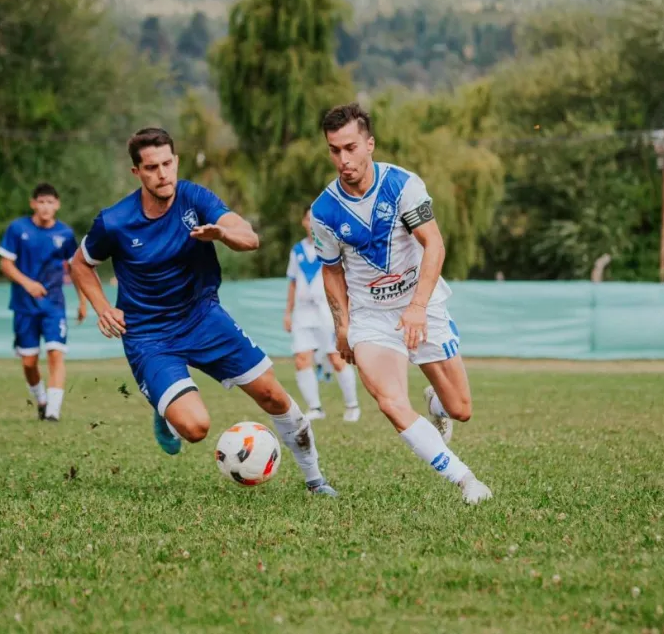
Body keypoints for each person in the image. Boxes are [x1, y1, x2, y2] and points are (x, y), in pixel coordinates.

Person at [69, 127, 337, 497]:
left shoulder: (194, 199)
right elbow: (80, 264)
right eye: (151, 167)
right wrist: (102, 308)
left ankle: (315, 480)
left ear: (176, 161)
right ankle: (166, 408)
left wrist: (223, 235)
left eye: (167, 164)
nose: (162, 174)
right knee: (195, 428)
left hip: (203, 318)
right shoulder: (114, 221)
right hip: (149, 336)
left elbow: (249, 236)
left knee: (274, 396)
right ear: (137, 172)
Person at [310, 103, 493, 505]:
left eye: (351, 147)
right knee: (390, 402)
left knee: (460, 408)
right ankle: (466, 481)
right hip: (371, 319)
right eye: (334, 150)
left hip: (420, 305)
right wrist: (343, 327)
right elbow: (332, 271)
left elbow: (435, 244)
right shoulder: (323, 212)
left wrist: (417, 307)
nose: (343, 159)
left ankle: (436, 401)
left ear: (369, 145)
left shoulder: (404, 185)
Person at [0, 183, 87, 422]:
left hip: (54, 305)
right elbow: (5, 264)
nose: (46, 207)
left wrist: (82, 301)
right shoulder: (18, 229)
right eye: (41, 202)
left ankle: (53, 413)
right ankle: (41, 400)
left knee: (56, 354)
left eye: (50, 202)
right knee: (29, 362)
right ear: (33, 204)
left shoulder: (65, 234)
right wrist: (28, 284)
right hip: (24, 306)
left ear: (57, 205)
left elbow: (75, 269)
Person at [284, 205, 360, 422]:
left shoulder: (332, 247)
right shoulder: (297, 251)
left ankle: (352, 405)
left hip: (327, 310)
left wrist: (346, 310)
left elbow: (344, 279)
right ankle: (315, 407)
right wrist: (287, 313)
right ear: (303, 222)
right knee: (301, 358)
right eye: (308, 219)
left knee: (336, 357)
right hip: (302, 312)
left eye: (315, 220)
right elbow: (292, 282)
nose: (311, 224)